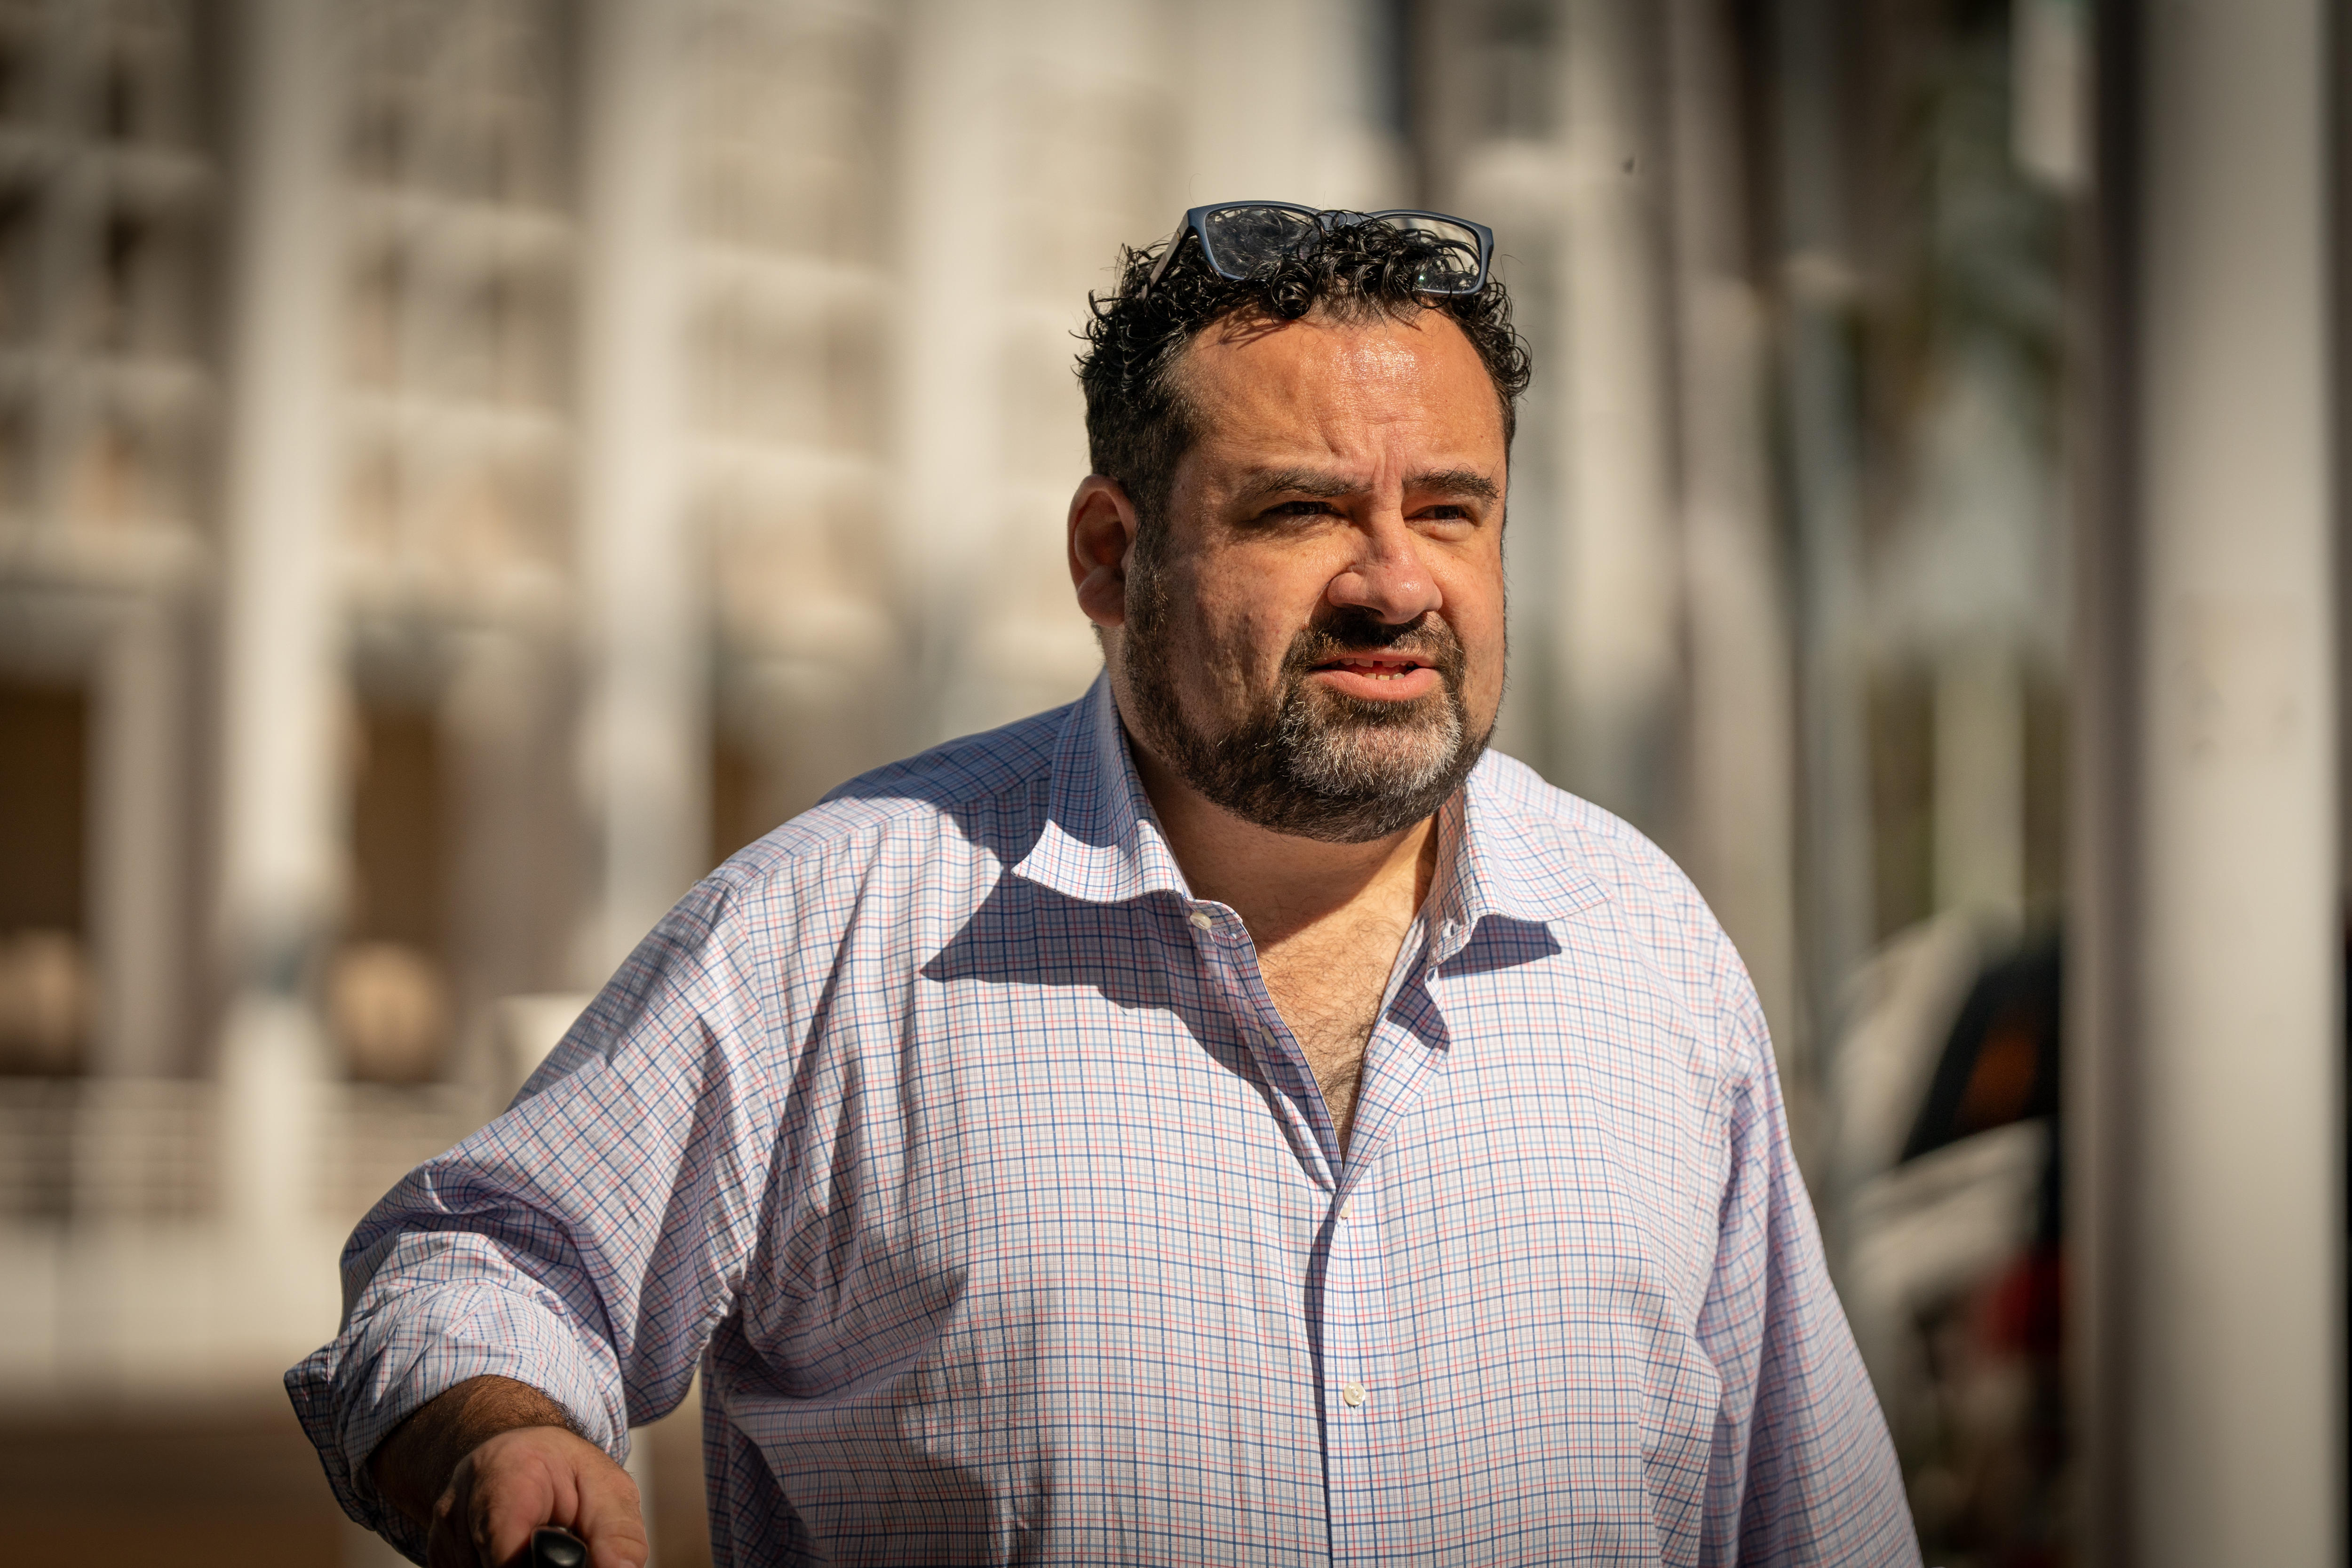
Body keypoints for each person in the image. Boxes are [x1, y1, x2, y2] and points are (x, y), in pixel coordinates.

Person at [289, 203, 1919, 1568]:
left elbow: (1812, 1516)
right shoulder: (839, 934)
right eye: (1300, 510)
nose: (1393, 579)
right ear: (1106, 557)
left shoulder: (1650, 953)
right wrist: (501, 1431)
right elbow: (482, 1260)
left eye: (1451, 509)